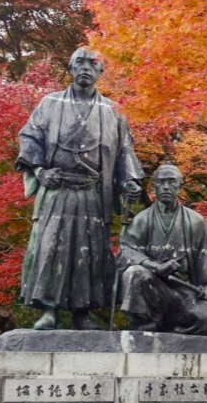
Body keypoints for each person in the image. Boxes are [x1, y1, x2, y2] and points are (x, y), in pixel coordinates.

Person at [15, 48, 144, 330]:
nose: (86, 68)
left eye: (92, 64)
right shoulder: (50, 103)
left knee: (90, 252)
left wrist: (129, 182)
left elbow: (124, 151)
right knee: (50, 246)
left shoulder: (112, 111)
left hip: (93, 193)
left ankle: (81, 312)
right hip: (57, 188)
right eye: (80, 63)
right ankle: (48, 310)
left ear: (100, 72)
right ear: (71, 68)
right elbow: (29, 137)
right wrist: (39, 171)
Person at [116, 164, 207, 335]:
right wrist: (155, 266)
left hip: (185, 292)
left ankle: (174, 332)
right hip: (154, 289)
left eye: (171, 182)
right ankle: (148, 321)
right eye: (160, 182)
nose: (165, 187)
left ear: (180, 186)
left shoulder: (195, 221)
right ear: (153, 186)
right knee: (135, 272)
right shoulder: (142, 219)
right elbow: (127, 252)